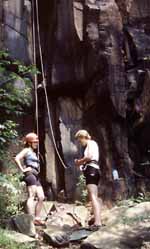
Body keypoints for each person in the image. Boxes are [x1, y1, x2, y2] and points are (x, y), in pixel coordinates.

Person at [15, 132, 45, 226]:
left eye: (37, 142)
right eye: (34, 142)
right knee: (31, 196)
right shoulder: (26, 150)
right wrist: (23, 169)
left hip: (36, 175)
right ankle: (30, 219)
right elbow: (17, 158)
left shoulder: (33, 152)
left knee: (41, 197)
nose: (36, 143)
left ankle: (37, 218)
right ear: (29, 143)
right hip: (30, 174)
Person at [75, 130, 102, 231]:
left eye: (79, 140)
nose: (80, 143)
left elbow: (89, 157)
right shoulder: (92, 144)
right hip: (93, 169)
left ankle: (97, 222)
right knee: (94, 196)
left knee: (93, 196)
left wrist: (79, 162)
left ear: (82, 137)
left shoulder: (91, 143)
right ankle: (97, 219)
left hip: (92, 169)